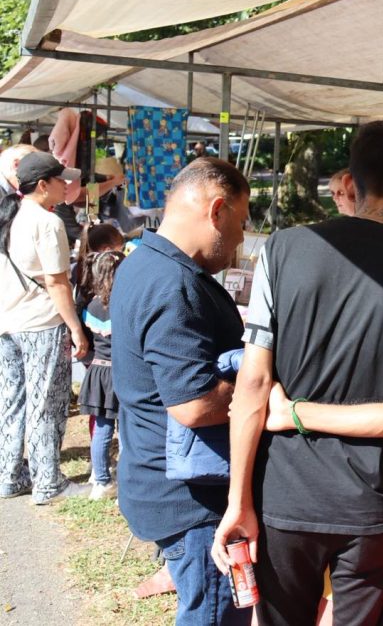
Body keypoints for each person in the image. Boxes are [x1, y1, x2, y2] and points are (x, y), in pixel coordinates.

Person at [212, 119, 383, 626]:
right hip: (367, 504)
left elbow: (253, 385)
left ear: (350, 180)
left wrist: (239, 497)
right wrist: (296, 414)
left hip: (284, 493)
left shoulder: (281, 250)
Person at [111, 157, 251, 626]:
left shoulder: (144, 263)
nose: (241, 238)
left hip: (162, 480)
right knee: (213, 615)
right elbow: (194, 404)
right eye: (241, 222)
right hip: (192, 503)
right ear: (217, 211)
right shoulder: (173, 283)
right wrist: (259, 382)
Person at [0, 152, 90, 504]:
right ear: (42, 185)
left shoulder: (12, 214)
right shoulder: (47, 222)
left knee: (12, 401)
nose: (67, 185)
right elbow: (57, 282)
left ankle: (9, 475)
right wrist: (76, 328)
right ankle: (48, 482)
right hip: (41, 323)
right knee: (47, 404)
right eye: (60, 179)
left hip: (9, 322)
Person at [78, 249, 126, 500]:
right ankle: (126, 481)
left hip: (98, 371)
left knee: (102, 429)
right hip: (120, 372)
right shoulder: (124, 305)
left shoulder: (92, 306)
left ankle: (100, 481)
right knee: (126, 430)